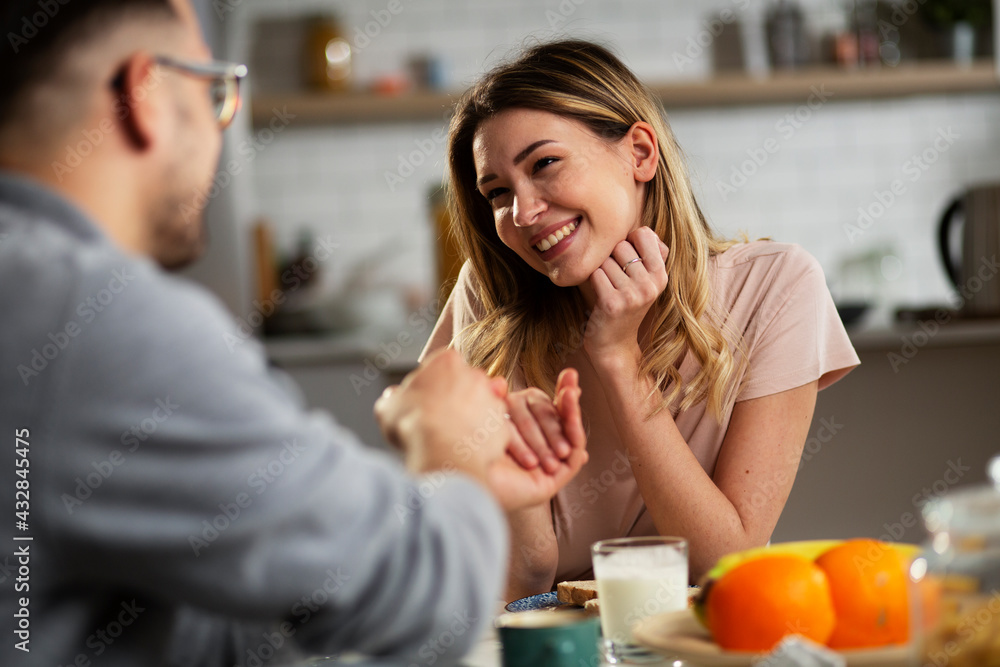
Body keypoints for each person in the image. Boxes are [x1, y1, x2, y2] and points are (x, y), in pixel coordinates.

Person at [0, 2, 588, 666]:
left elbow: (194, 616)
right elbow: (425, 607)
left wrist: (456, 491)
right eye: (215, 92)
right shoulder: (99, 320)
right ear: (150, 97)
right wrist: (449, 449)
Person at [422, 39, 861, 601]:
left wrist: (617, 360)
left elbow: (725, 566)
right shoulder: (493, 301)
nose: (523, 213)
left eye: (545, 164)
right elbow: (521, 579)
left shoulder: (774, 287)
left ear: (640, 153)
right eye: (498, 192)